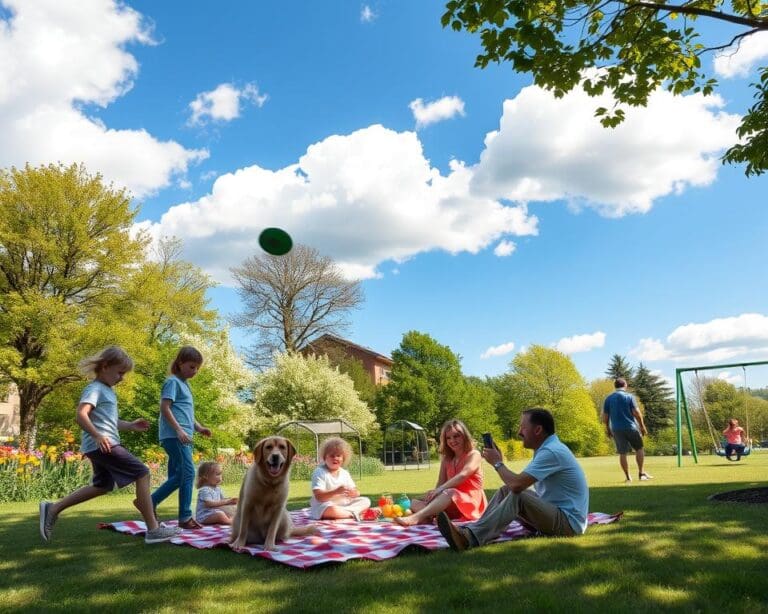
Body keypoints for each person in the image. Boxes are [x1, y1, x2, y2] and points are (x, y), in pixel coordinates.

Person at [39, 347, 179, 544]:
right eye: (120, 372)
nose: (122, 377)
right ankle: (153, 529)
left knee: (102, 486)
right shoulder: (94, 389)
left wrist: (129, 425)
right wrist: (97, 435)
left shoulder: (107, 391)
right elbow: (81, 414)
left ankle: (53, 508)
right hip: (103, 445)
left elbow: (108, 423)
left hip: (99, 444)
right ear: (105, 367)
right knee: (143, 472)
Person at [437, 408, 589, 553]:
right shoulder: (547, 449)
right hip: (558, 514)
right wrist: (500, 462)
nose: (519, 432)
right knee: (506, 490)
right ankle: (472, 531)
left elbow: (517, 485)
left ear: (537, 430)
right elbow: (516, 482)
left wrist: (498, 463)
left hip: (568, 525)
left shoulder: (551, 452)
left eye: (523, 427)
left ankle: (469, 538)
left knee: (518, 495)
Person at [151, 346, 211, 530]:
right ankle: (185, 517)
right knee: (189, 473)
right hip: (175, 435)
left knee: (180, 476)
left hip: (184, 435)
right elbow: (165, 407)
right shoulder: (173, 382)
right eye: (192, 367)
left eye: (197, 368)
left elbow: (185, 411)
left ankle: (149, 502)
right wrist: (178, 430)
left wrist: (199, 427)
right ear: (180, 363)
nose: (195, 371)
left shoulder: (185, 384)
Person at [395, 419, 486, 526]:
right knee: (413, 502)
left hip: (471, 502)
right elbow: (441, 483)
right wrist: (432, 495)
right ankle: (430, 516)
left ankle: (417, 518)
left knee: (450, 492)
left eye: (456, 436)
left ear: (464, 436)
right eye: (448, 438)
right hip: (450, 501)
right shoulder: (447, 459)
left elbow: (463, 475)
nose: (452, 440)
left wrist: (440, 489)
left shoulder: (474, 454)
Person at [602, 378, 652, 482]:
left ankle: (628, 477)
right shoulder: (629, 397)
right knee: (639, 448)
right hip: (630, 427)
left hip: (616, 429)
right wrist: (642, 426)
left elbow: (605, 417)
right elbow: (637, 413)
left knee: (622, 453)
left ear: (615, 386)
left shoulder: (608, 399)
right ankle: (641, 473)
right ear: (625, 385)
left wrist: (607, 429)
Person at [310, 437, 371, 520]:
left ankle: (349, 513)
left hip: (344, 506)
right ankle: (356, 514)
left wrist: (355, 493)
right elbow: (319, 497)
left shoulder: (344, 473)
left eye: (338, 456)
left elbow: (356, 492)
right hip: (325, 506)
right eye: (332, 456)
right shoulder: (319, 472)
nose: (335, 458)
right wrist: (336, 491)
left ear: (343, 459)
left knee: (365, 500)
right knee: (332, 510)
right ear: (324, 458)